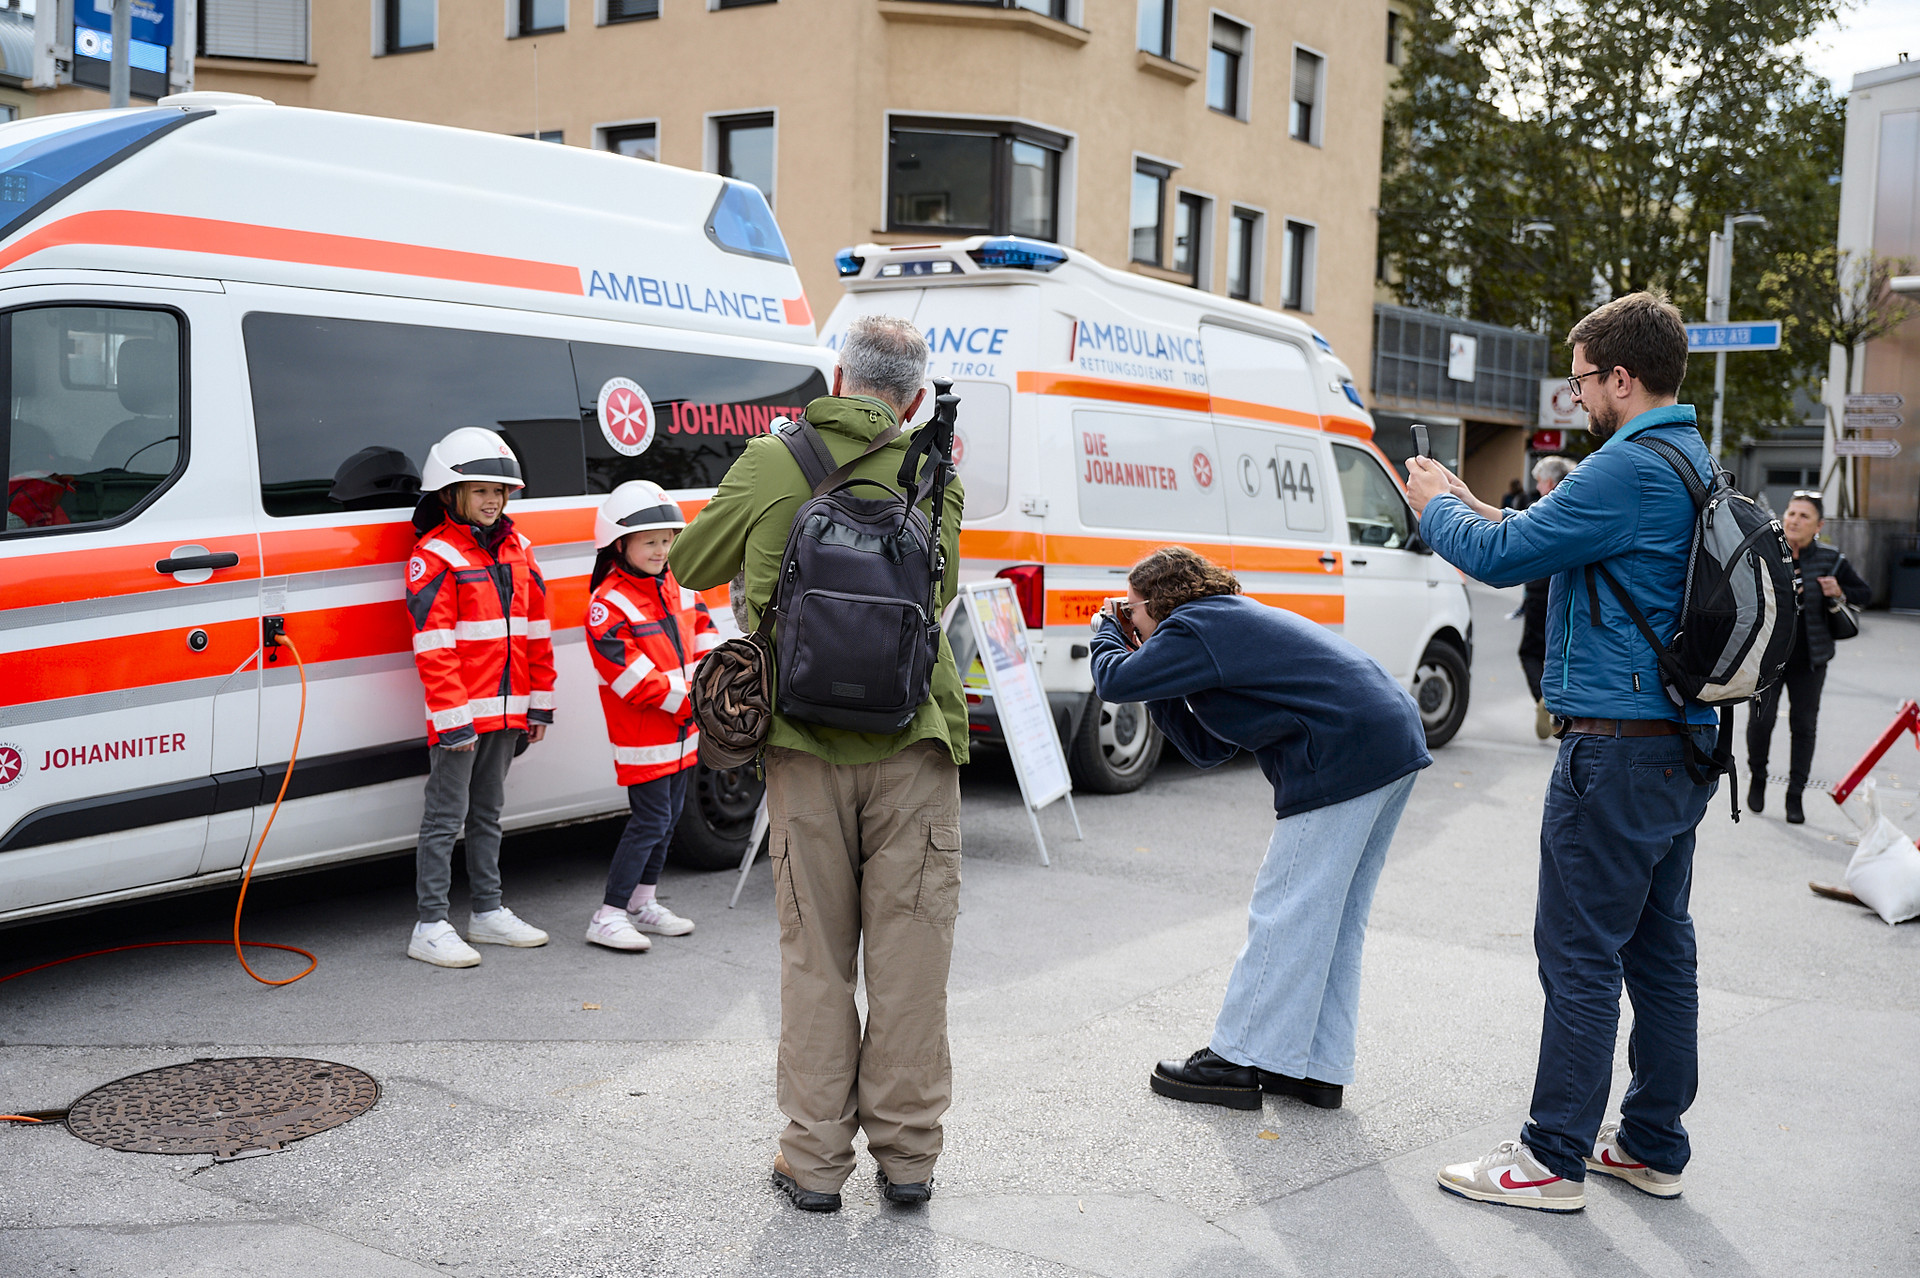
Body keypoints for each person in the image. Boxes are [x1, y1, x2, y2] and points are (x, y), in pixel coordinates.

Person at [1406, 292, 1718, 1212]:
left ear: (1623, 378)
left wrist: (1433, 509)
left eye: (1582, 379)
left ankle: (1551, 1158)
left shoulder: (1622, 468)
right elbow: (1536, 537)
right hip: (1678, 744)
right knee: (1661, 953)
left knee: (1579, 953)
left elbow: (1501, 562)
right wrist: (1468, 501)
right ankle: (1653, 1143)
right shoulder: (1689, 458)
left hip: (1613, 752)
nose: (1576, 396)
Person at [670, 315, 967, 1214]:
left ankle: (812, 1163)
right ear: (914, 398)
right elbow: (939, 590)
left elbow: (688, 564)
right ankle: (909, 1162)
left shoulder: (773, 461)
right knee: (912, 961)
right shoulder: (934, 469)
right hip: (915, 743)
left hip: (799, 746)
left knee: (816, 961)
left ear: (837, 376)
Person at [1089, 547, 1429, 1113]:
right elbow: (1206, 747)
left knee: (1285, 907)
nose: (1129, 619)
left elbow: (1114, 681)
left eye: (1132, 609)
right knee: (1334, 918)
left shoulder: (1192, 626)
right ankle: (1313, 1067)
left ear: (1156, 603)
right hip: (1386, 738)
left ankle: (1236, 1060)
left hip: (1345, 752)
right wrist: (1152, 670)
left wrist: (1105, 630)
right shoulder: (1220, 623)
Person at [403, 427, 555, 968]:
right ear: (450, 493)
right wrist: (453, 720)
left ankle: (487, 912)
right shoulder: (434, 555)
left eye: (500, 490)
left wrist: (540, 702)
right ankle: (430, 923)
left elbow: (537, 629)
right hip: (462, 720)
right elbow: (434, 646)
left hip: (510, 712)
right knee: (446, 818)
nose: (493, 500)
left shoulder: (519, 547)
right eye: (481, 490)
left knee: (488, 813)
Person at [583, 480, 719, 952]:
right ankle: (609, 914)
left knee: (669, 818)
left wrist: (711, 684)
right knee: (650, 821)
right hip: (645, 735)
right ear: (618, 544)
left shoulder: (677, 584)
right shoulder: (607, 605)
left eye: (667, 540)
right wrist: (700, 699)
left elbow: (706, 635)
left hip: (682, 731)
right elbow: (635, 683)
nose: (662, 550)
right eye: (650, 541)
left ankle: (643, 902)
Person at [1746, 491, 1870, 824]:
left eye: (1803, 516)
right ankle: (1757, 777)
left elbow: (1864, 594)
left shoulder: (1831, 559)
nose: (1794, 521)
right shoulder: (1766, 551)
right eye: (1791, 513)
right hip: (1767, 658)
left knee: (1804, 727)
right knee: (1761, 722)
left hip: (1810, 661)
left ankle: (1795, 795)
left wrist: (1838, 591)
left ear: (1819, 525)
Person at [1517, 455, 1575, 740]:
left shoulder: (1543, 510)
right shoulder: (1578, 505)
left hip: (1541, 589)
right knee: (1562, 652)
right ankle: (1561, 709)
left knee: (1529, 651)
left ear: (1550, 483)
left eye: (1540, 481)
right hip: (1571, 592)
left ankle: (1543, 698)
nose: (1537, 487)